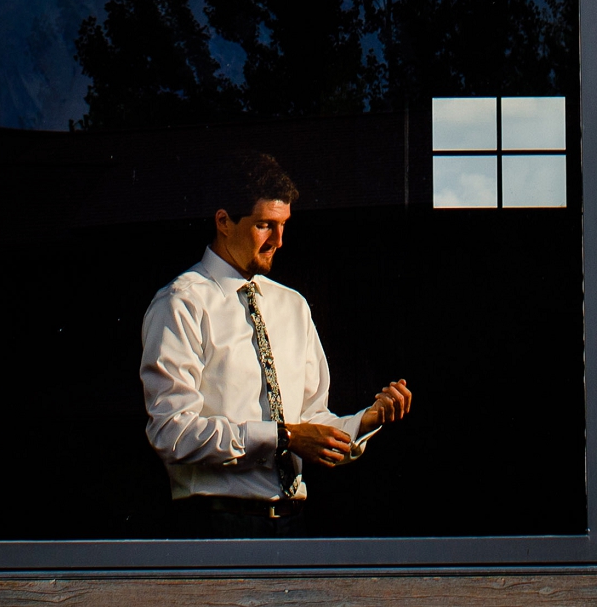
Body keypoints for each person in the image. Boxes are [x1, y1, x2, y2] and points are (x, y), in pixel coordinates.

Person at [136, 150, 413, 530]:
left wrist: (364, 423)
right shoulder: (182, 303)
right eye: (265, 225)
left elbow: (311, 422)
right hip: (217, 526)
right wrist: (282, 438)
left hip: (292, 524)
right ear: (224, 222)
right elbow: (173, 432)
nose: (279, 241)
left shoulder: (292, 305)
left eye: (284, 225)